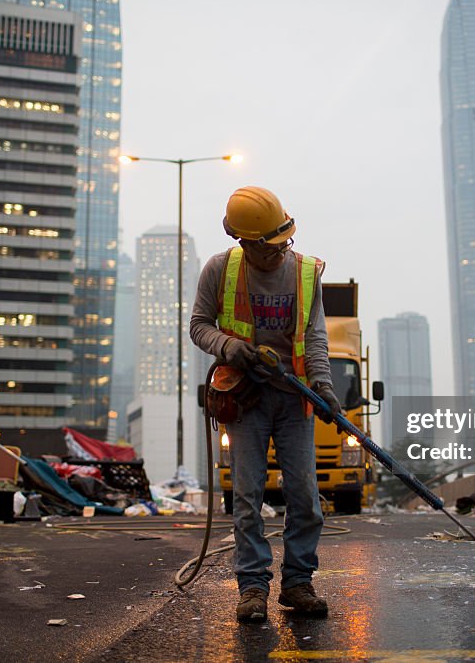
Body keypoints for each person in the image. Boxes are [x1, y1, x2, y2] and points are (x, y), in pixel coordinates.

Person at [190, 186, 343, 623]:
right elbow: (199, 325)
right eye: (271, 246)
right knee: (248, 496)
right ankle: (253, 587)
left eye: (284, 241)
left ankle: (297, 583)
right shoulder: (220, 270)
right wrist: (228, 346)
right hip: (247, 398)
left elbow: (314, 337)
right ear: (246, 241)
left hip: (294, 399)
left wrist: (323, 385)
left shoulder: (305, 273)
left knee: (305, 495)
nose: (281, 251)